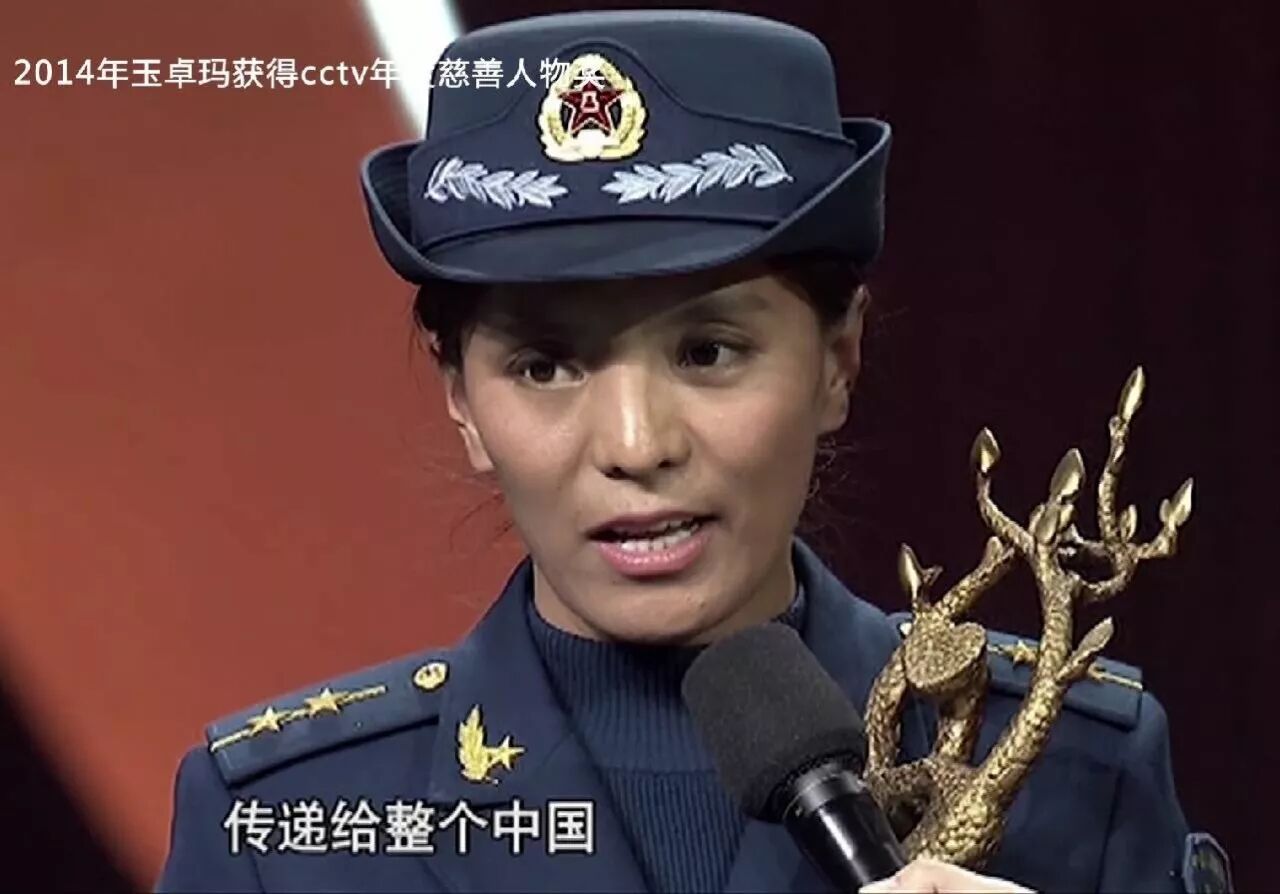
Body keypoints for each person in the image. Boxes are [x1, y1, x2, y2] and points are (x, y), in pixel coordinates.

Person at [155, 10, 1230, 894]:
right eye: (544, 366)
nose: (636, 446)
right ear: (461, 401)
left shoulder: (1067, 766)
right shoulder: (279, 830)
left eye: (708, 351)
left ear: (837, 362)